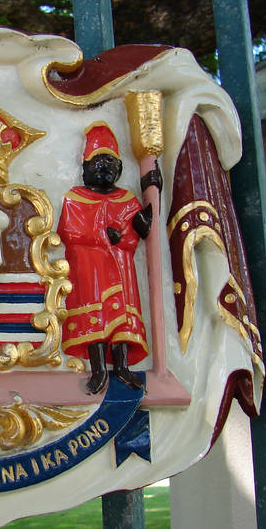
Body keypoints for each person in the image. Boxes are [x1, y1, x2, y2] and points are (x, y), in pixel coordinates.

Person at [58, 122, 159, 394]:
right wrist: (104, 235)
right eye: (98, 162)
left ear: (120, 169)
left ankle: (123, 366)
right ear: (85, 168)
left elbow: (143, 229)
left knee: (122, 317)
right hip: (90, 270)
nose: (105, 168)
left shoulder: (127, 200)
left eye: (111, 163)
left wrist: (153, 190)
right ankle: (99, 368)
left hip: (121, 268)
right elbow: (71, 231)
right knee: (96, 317)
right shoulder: (74, 198)